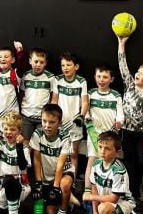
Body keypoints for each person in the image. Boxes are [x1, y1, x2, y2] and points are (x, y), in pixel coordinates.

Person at [117, 35, 143, 206]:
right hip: (127, 132)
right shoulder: (129, 86)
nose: (137, 74)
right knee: (130, 163)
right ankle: (133, 194)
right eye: (139, 71)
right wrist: (121, 44)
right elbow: (123, 66)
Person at [83, 64, 124, 198]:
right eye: (99, 76)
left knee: (111, 164)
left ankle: (112, 193)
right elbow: (85, 109)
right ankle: (88, 193)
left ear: (111, 79)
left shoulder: (116, 95)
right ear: (95, 77)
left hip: (111, 135)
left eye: (105, 77)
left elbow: (120, 113)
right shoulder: (90, 93)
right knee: (92, 161)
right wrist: (87, 116)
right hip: (94, 134)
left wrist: (119, 121)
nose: (101, 79)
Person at [50, 52, 88, 186]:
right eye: (63, 65)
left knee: (73, 153)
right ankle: (55, 179)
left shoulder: (81, 81)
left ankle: (72, 181)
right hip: (59, 123)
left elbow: (85, 103)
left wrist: (81, 117)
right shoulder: (57, 80)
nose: (65, 68)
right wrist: (52, 117)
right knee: (57, 152)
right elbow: (54, 100)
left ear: (76, 66)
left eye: (69, 65)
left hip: (75, 123)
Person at [29, 104, 74, 214]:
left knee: (65, 184)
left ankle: (63, 208)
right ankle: (68, 199)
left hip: (62, 174)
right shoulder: (37, 134)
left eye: (52, 122)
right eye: (44, 121)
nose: (47, 125)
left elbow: (60, 165)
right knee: (44, 211)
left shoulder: (65, 137)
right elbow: (36, 159)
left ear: (60, 123)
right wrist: (38, 182)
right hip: (46, 176)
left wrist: (56, 187)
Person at [83, 131, 137, 214]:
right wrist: (95, 211)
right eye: (100, 147)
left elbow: (114, 199)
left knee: (103, 208)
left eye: (107, 148)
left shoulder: (118, 170)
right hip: (105, 203)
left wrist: (90, 197)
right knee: (101, 208)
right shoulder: (96, 164)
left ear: (117, 152)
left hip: (123, 203)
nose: (102, 151)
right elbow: (94, 189)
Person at [0, 111, 31, 214]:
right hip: (2, 186)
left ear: (19, 131)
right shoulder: (1, 144)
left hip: (20, 186)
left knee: (10, 180)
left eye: (12, 129)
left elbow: (22, 165)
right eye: (6, 129)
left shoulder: (24, 148)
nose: (8, 132)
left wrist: (19, 146)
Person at [19, 47, 54, 144]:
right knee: (25, 143)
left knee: (40, 144)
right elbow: (21, 95)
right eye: (36, 61)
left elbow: (53, 98)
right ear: (30, 61)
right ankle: (26, 160)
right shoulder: (25, 76)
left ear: (45, 63)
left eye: (41, 62)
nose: (38, 65)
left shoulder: (50, 78)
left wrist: (48, 115)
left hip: (42, 118)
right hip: (26, 116)